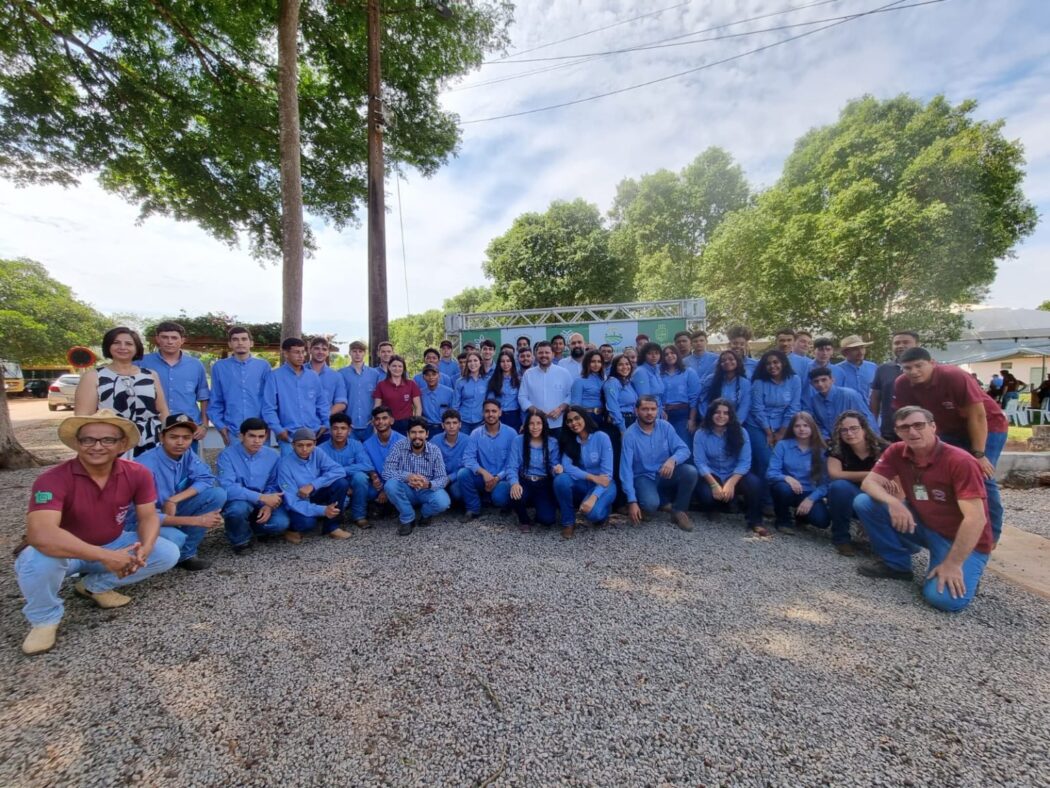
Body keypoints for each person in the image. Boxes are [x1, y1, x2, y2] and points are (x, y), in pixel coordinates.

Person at [15, 411, 180, 655]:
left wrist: (144, 549)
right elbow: (41, 533)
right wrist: (105, 557)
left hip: (113, 542)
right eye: (88, 440)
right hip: (67, 552)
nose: (97, 447)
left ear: (122, 444)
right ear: (77, 443)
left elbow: (148, 516)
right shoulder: (51, 479)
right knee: (34, 558)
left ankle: (94, 586)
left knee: (166, 552)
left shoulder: (137, 473)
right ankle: (44, 619)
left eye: (108, 440)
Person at [853, 406, 994, 612]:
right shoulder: (896, 451)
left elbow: (976, 519)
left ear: (933, 426)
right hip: (924, 524)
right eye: (904, 428)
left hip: (960, 538)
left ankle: (965, 565)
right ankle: (897, 565)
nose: (912, 432)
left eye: (919, 425)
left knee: (944, 600)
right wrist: (894, 503)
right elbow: (869, 483)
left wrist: (953, 564)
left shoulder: (960, 461)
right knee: (865, 502)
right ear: (898, 432)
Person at [893, 347, 1008, 542]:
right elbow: (904, 418)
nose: (913, 371)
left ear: (932, 363)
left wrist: (978, 454)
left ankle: (990, 537)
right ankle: (957, 526)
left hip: (988, 426)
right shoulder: (902, 384)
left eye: (918, 365)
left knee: (981, 476)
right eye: (907, 368)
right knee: (941, 475)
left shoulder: (954, 376)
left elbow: (978, 416)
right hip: (948, 429)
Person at [133, 414, 227, 570]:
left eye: (186, 437)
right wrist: (198, 521)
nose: (180, 442)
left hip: (171, 507)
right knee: (176, 538)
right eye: (173, 437)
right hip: (144, 519)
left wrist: (174, 499)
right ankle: (151, 559)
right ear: (161, 437)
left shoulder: (187, 454)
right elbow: (142, 515)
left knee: (217, 494)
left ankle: (186, 554)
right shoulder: (145, 466)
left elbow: (206, 478)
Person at [74, 326, 169, 457]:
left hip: (150, 439)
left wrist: (167, 436)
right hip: (111, 441)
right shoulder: (93, 376)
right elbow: (83, 417)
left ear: (136, 348)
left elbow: (163, 411)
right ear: (108, 346)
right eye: (116, 343)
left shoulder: (151, 375)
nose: (123, 347)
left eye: (129, 343)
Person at [620, 396, 698, 531]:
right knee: (650, 504)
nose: (649, 413)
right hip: (644, 477)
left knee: (690, 472)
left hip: (664, 473)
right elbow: (625, 470)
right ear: (636, 410)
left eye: (653, 409)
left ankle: (679, 511)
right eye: (645, 409)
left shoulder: (665, 427)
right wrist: (631, 500)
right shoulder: (630, 435)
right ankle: (643, 503)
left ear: (658, 410)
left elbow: (684, 449)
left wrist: (672, 460)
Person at [692, 399, 766, 536]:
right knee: (706, 496)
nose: (721, 416)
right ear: (710, 414)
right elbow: (700, 462)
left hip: (734, 474)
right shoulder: (701, 433)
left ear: (731, 416)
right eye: (717, 412)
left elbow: (745, 462)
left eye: (726, 413)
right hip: (712, 474)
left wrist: (731, 483)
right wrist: (714, 485)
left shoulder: (741, 432)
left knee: (754, 483)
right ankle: (714, 508)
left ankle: (755, 521)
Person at [216, 417, 289, 552]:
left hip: (263, 502)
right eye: (252, 436)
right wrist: (261, 497)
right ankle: (240, 540)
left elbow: (274, 484)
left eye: (261, 436)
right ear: (241, 436)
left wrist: (268, 505)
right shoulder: (227, 455)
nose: (257, 441)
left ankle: (249, 527)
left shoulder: (273, 455)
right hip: (239, 500)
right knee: (237, 510)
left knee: (281, 523)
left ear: (266, 436)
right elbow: (228, 488)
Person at [826, 411, 888, 556]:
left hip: (878, 496)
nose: (849, 433)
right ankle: (841, 539)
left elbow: (890, 478)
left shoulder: (883, 448)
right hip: (851, 496)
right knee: (839, 487)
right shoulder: (837, 449)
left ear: (864, 428)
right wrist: (871, 474)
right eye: (844, 430)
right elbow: (835, 474)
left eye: (854, 428)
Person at [140, 321, 210, 447]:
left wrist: (204, 425)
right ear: (157, 339)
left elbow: (204, 397)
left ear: (182, 340)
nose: (169, 341)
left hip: (188, 427)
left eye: (174, 338)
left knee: (187, 465)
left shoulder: (195, 365)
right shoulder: (142, 363)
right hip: (153, 426)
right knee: (151, 465)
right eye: (165, 337)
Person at [277, 427, 351, 542]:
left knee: (341, 483)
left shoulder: (317, 452)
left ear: (315, 443)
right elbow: (292, 502)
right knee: (308, 523)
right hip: (298, 501)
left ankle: (332, 527)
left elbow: (339, 470)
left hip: (314, 493)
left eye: (309, 445)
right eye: (300, 445)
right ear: (293, 445)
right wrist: (323, 510)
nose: (305, 449)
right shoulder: (284, 465)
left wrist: (313, 485)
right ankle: (291, 529)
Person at [382, 417, 451, 536]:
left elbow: (442, 478)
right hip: (407, 489)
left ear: (427, 434)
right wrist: (408, 476)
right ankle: (408, 518)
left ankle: (425, 513)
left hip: (426, 490)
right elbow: (387, 471)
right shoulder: (398, 446)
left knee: (443, 502)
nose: (417, 436)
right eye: (413, 432)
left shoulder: (435, 450)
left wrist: (428, 484)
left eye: (421, 432)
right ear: (408, 434)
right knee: (390, 485)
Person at [554, 406, 617, 538]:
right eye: (569, 421)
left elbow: (606, 475)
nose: (573, 423)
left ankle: (604, 509)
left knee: (593, 515)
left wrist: (593, 498)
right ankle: (568, 522)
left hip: (605, 485)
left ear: (585, 418)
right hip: (585, 482)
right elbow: (567, 466)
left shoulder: (601, 437)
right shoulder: (570, 440)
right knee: (561, 480)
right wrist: (591, 477)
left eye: (577, 418)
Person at [766, 412, 830, 535]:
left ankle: (801, 515)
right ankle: (783, 520)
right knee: (782, 489)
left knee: (822, 521)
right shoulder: (782, 445)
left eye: (806, 425)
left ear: (812, 427)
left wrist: (811, 499)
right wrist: (787, 478)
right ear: (792, 428)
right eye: (797, 426)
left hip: (808, 491)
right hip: (787, 489)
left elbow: (826, 483)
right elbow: (771, 473)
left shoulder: (822, 451)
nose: (802, 429)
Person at [745, 349, 802, 487]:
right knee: (767, 460)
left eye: (776, 362)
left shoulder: (794, 380)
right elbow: (757, 409)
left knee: (784, 460)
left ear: (783, 363)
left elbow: (793, 407)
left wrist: (782, 432)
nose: (772, 366)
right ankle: (766, 502)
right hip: (758, 426)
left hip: (784, 425)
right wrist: (769, 433)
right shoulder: (759, 382)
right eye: (768, 364)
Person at [208, 327, 273, 447]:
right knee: (234, 464)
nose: (240, 342)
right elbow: (215, 399)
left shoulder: (263, 366)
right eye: (235, 339)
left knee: (261, 464)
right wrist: (221, 426)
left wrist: (267, 425)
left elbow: (269, 399)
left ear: (251, 343)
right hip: (233, 430)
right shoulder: (219, 367)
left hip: (259, 430)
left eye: (244, 339)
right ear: (230, 344)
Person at [263, 337, 328, 454]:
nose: (301, 356)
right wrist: (279, 430)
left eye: (303, 352)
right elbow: (269, 408)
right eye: (296, 352)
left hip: (313, 434)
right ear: (286, 353)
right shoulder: (274, 377)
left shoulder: (312, 376)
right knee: (289, 470)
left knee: (313, 470)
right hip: (288, 436)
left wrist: (326, 424)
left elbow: (321, 403)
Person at [459, 400, 516, 519]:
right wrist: (483, 472)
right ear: (483, 413)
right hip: (483, 477)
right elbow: (468, 458)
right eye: (487, 411)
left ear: (500, 412)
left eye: (494, 411)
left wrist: (497, 478)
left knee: (499, 498)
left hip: (503, 478)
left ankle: (507, 504)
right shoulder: (475, 433)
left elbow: (513, 462)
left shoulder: (511, 433)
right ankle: (473, 509)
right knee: (463, 474)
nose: (490, 414)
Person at [508, 409, 561, 532]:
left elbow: (553, 465)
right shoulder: (518, 440)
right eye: (531, 423)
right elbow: (512, 466)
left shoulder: (552, 442)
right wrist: (514, 483)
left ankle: (539, 509)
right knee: (516, 494)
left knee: (547, 520)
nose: (535, 427)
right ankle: (524, 519)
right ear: (526, 425)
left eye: (539, 423)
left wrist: (556, 469)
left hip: (543, 482)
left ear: (544, 425)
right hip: (524, 479)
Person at [319, 413, 375, 528]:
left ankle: (359, 516)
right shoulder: (321, 449)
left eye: (343, 428)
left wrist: (340, 470)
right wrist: (343, 483)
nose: (339, 432)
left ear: (349, 430)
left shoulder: (356, 444)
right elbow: (321, 474)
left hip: (353, 482)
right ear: (330, 430)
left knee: (360, 477)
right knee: (342, 502)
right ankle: (334, 518)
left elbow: (367, 465)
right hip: (333, 485)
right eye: (335, 428)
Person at [869, 331, 919, 441]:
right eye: (897, 343)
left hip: (919, 428)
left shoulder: (926, 368)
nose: (900, 346)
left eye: (906, 342)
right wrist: (873, 423)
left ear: (917, 345)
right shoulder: (883, 369)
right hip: (890, 429)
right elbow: (875, 398)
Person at [518, 340, 573, 434]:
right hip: (536, 424)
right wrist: (537, 412)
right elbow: (522, 397)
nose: (544, 355)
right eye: (540, 352)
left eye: (547, 352)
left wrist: (560, 409)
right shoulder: (528, 374)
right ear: (535, 355)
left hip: (559, 424)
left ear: (553, 354)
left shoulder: (564, 372)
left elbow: (571, 394)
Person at [807, 367, 874, 441]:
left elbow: (867, 418)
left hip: (856, 439)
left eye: (824, 380)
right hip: (832, 443)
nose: (820, 384)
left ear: (832, 380)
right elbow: (819, 424)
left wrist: (872, 440)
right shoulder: (814, 401)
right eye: (816, 381)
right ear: (811, 384)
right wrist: (826, 439)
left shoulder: (849, 395)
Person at [362, 406, 405, 519]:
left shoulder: (403, 441)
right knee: (363, 488)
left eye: (384, 418)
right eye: (377, 419)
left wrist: (386, 490)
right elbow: (367, 465)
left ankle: (392, 505)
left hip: (396, 481)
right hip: (377, 483)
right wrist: (373, 476)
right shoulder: (367, 444)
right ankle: (380, 505)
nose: (380, 422)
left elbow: (404, 469)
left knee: (395, 488)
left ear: (391, 420)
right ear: (373, 422)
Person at [339, 340, 383, 442]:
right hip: (349, 424)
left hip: (370, 424)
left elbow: (379, 399)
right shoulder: (341, 374)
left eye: (360, 351)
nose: (357, 354)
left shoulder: (375, 374)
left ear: (365, 353)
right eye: (354, 351)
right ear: (350, 353)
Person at [660, 344, 700, 446]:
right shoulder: (659, 374)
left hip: (682, 415)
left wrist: (692, 419)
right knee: (666, 446)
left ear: (677, 354)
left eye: (672, 353)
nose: (669, 356)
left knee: (683, 445)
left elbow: (694, 398)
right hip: (663, 415)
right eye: (666, 354)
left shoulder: (689, 372)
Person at [698, 349, 751, 423]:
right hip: (711, 421)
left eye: (731, 359)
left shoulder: (745, 383)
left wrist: (735, 425)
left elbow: (744, 407)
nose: (727, 362)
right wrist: (708, 419)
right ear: (719, 364)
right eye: (723, 360)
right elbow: (702, 400)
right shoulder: (710, 379)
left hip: (734, 423)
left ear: (737, 362)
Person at [372, 355, 421, 435]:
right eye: (394, 366)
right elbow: (377, 407)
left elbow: (418, 407)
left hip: (406, 424)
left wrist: (415, 424)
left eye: (400, 366)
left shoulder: (411, 384)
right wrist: (375, 427)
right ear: (389, 367)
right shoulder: (381, 385)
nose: (397, 369)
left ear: (403, 368)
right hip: (387, 423)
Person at [432, 409, 468, 508]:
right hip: (438, 478)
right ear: (442, 425)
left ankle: (457, 504)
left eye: (455, 423)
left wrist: (449, 478)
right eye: (448, 423)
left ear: (460, 425)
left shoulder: (467, 441)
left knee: (457, 492)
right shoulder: (435, 440)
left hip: (456, 479)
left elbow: (468, 466)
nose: (451, 426)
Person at [308, 337, 348, 424]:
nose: (320, 352)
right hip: (302, 426)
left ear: (328, 353)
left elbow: (341, 403)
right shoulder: (300, 372)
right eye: (316, 348)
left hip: (326, 427)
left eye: (324, 349)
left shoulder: (336, 376)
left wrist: (324, 417)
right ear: (310, 350)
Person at [486, 351, 522, 431]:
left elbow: (521, 401)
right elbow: (490, 400)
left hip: (514, 416)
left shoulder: (519, 380)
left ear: (512, 363)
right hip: (497, 415)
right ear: (499, 363)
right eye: (502, 361)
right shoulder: (492, 379)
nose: (505, 364)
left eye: (508, 361)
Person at [454, 351, 488, 434]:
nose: (472, 363)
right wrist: (456, 421)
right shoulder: (460, 382)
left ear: (480, 363)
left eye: (475, 360)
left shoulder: (487, 381)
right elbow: (455, 404)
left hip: (481, 421)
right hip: (463, 421)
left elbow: (490, 401)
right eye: (469, 361)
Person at [835, 335, 878, 400]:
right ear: (845, 352)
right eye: (855, 349)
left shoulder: (873, 367)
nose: (860, 352)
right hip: (848, 408)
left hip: (869, 409)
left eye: (862, 348)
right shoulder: (837, 370)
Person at [418, 364, 455, 438]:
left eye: (434, 374)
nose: (431, 377)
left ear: (439, 376)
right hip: (427, 427)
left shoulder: (449, 392)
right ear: (423, 377)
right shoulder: (420, 393)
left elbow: (453, 412)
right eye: (427, 375)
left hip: (444, 427)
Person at [570, 349, 605, 421]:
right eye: (593, 361)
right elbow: (575, 405)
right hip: (586, 416)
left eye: (599, 362)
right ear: (586, 363)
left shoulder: (603, 379)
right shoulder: (579, 380)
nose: (596, 364)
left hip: (602, 416)